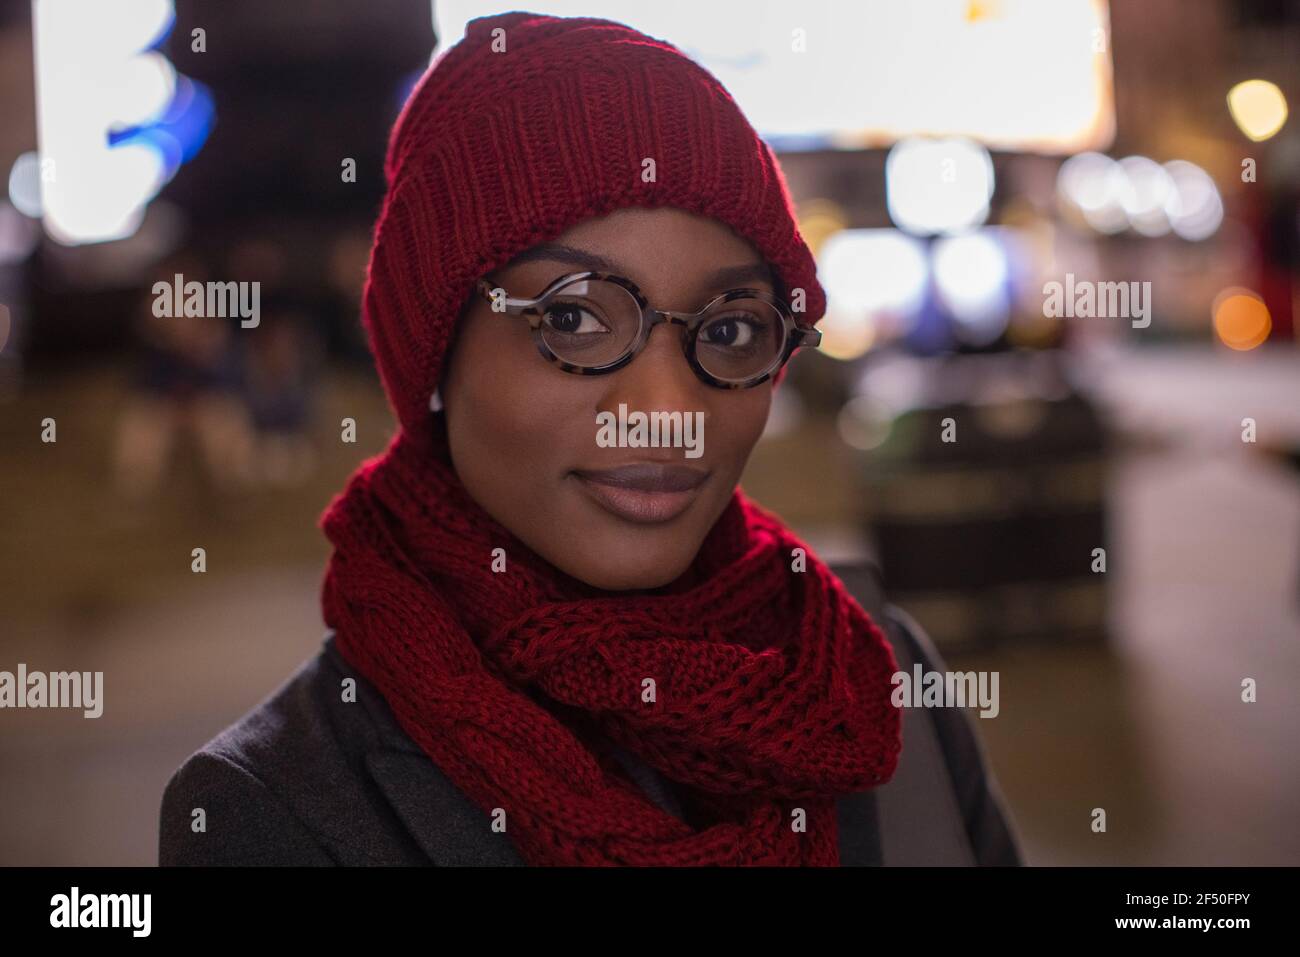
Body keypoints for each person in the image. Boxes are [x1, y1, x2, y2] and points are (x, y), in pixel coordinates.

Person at [159, 11, 1022, 866]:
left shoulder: (879, 674)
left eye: (729, 331)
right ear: (436, 349)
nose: (665, 406)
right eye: (572, 317)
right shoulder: (271, 808)